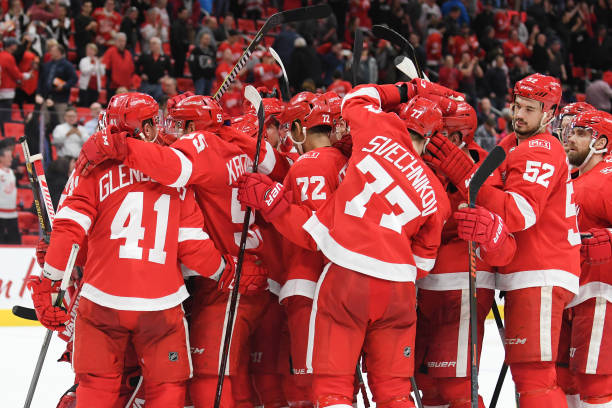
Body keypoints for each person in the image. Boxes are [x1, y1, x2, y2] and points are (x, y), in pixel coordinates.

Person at [235, 79, 460, 407]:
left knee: (332, 387)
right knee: (396, 391)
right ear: (426, 140)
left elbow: (359, 96)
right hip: (398, 288)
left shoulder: (373, 133)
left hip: (347, 275)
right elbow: (423, 264)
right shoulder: (438, 195)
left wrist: (412, 87)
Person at [31, 92, 246, 406]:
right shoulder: (173, 170)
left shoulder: (93, 166)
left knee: (96, 385)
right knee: (167, 388)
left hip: (102, 298)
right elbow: (192, 246)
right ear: (147, 126)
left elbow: (69, 230)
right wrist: (226, 271)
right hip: (162, 303)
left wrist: (50, 280)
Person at [75, 94, 277, 407]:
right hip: (251, 269)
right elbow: (268, 160)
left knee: (206, 378)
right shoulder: (239, 145)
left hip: (214, 277)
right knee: (248, 372)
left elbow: (173, 169)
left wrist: (118, 145)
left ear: (189, 125)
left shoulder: (196, 146)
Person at [424, 73, 581, 407]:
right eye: (516, 105)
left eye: (529, 109)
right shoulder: (510, 145)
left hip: (542, 268)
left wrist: (467, 175)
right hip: (524, 270)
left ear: (549, 115)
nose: (519, 114)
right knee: (528, 376)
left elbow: (518, 213)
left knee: (535, 378)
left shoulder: (542, 147)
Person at [564, 110, 612, 408]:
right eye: (571, 131)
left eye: (582, 133)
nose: (571, 137)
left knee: (594, 383)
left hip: (599, 293)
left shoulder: (607, 179)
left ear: (603, 142)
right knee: (565, 379)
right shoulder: (570, 179)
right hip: (568, 291)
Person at [36, 44, 78, 124]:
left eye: (52, 51)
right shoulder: (47, 65)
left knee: (61, 121)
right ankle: (44, 137)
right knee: (44, 122)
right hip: (46, 98)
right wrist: (38, 93)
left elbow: (74, 79)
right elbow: (41, 80)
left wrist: (64, 86)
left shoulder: (67, 65)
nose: (50, 53)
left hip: (61, 99)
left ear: (59, 52)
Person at [0, 37, 28, 138]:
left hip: (2, 88)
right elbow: (15, 73)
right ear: (11, 46)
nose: (16, 47)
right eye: (15, 45)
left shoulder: (1, 55)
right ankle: (4, 136)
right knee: (5, 116)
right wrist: (24, 76)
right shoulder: (8, 57)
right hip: (6, 89)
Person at [0, 140, 20, 244]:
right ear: (1, 158)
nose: (11, 159)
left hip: (12, 214)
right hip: (1, 215)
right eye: (9, 157)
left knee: (15, 242)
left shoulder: (12, 172)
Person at [78, 43, 105, 107]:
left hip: (95, 87)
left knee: (93, 105)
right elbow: (84, 71)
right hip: (85, 87)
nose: (90, 51)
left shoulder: (97, 61)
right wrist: (93, 66)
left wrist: (100, 64)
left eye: (92, 50)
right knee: (84, 104)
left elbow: (102, 73)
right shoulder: (83, 60)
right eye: (88, 50)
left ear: (95, 52)